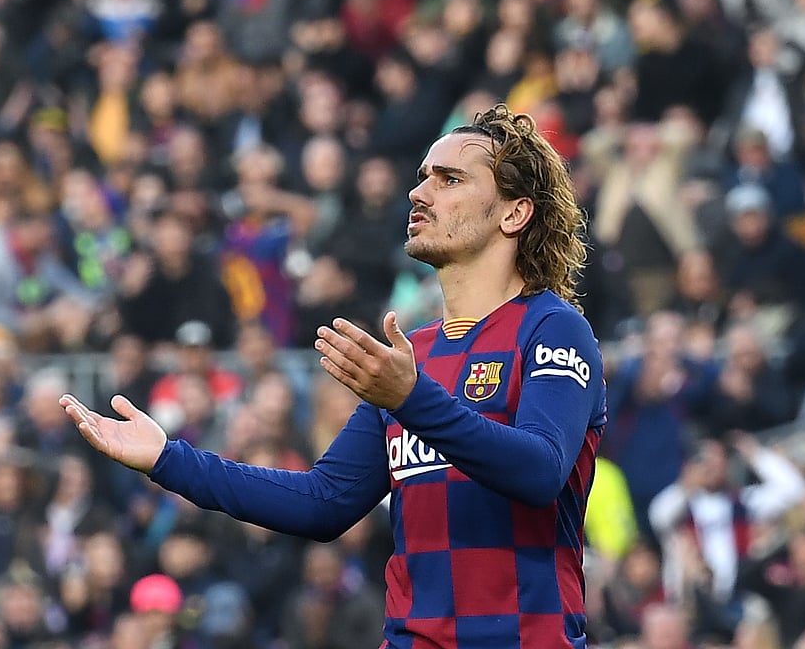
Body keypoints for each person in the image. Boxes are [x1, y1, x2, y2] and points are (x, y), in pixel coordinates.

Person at [61, 103, 609, 648]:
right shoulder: (410, 357)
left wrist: (412, 399)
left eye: (450, 180)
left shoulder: (553, 329)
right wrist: (168, 458)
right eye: (423, 177)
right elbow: (323, 501)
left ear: (514, 213)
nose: (419, 193)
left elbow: (540, 470)